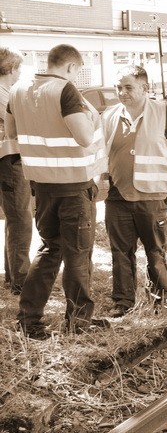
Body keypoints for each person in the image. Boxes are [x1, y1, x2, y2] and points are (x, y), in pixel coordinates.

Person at [8, 44, 107, 338]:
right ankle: (78, 323)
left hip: (43, 187)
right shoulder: (65, 90)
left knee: (50, 249)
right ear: (72, 67)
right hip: (74, 186)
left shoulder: (19, 90)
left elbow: (12, 134)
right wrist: (90, 117)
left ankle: (29, 319)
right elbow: (85, 137)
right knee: (77, 255)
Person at [101, 66, 167, 317]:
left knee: (155, 252)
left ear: (145, 88)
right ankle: (123, 302)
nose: (122, 92)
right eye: (118, 87)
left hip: (152, 196)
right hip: (118, 195)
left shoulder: (164, 111)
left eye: (128, 87)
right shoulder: (109, 115)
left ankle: (159, 300)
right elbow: (102, 150)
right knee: (120, 252)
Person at [0, 47, 32, 296]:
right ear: (11, 69)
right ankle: (21, 280)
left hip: (7, 160)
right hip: (9, 162)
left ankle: (12, 276)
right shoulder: (5, 95)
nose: (21, 72)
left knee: (13, 220)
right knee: (21, 220)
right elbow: (21, 126)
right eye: (19, 67)